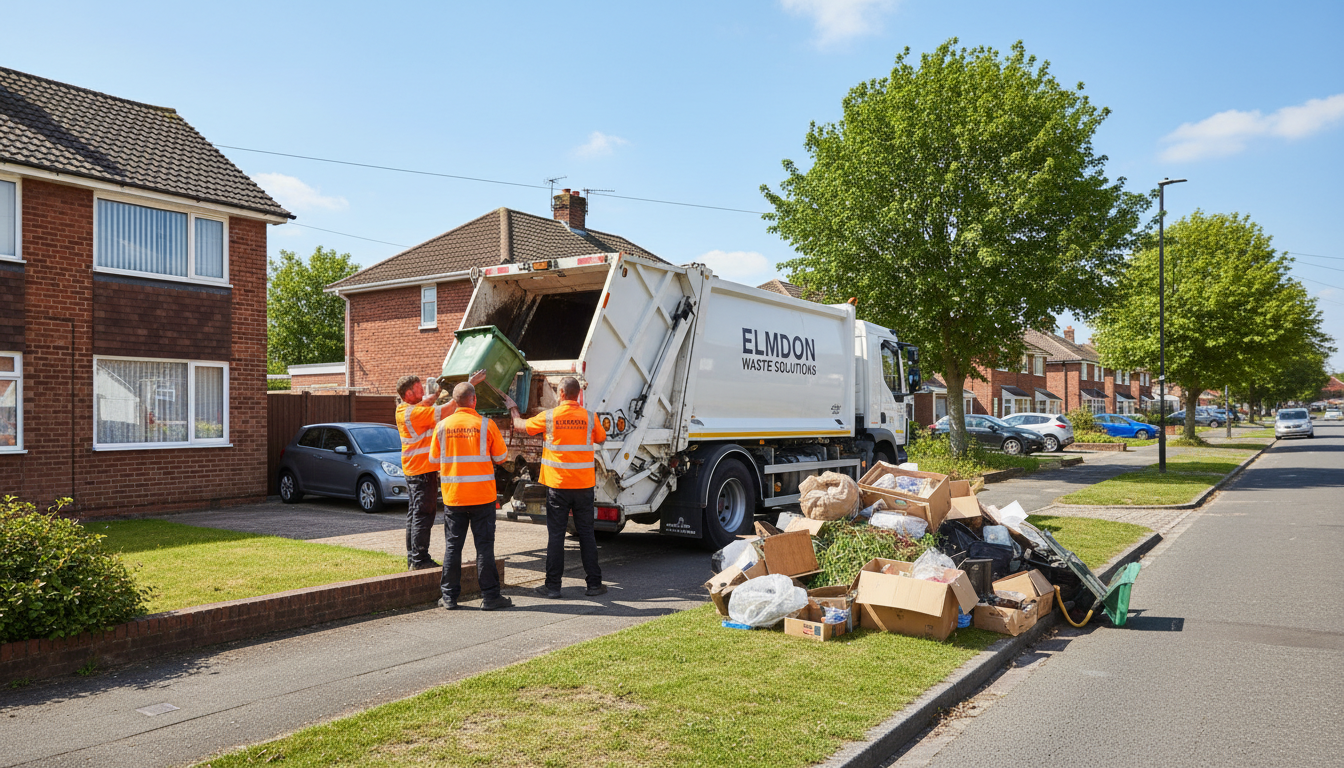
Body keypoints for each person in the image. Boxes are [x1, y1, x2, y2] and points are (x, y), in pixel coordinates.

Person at [506, 376, 607, 599]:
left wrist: (513, 409)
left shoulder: (549, 417)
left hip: (558, 487)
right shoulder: (590, 417)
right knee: (587, 535)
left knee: (556, 536)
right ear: (577, 395)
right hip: (583, 486)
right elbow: (601, 437)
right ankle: (594, 585)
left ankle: (553, 587)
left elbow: (520, 426)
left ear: (561, 394)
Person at [429, 381, 513, 611]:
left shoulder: (442, 426)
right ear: (474, 400)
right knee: (484, 548)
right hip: (482, 497)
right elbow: (502, 457)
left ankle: (448, 597)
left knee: (453, 547)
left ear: (454, 402)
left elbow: (434, 461)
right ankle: (490, 597)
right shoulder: (486, 425)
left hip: (454, 497)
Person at [395, 370, 484, 570]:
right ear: (408, 394)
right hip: (422, 471)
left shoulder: (403, 409)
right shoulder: (415, 414)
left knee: (414, 514)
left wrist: (435, 395)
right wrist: (468, 385)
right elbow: (445, 411)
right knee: (423, 515)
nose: (423, 393)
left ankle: (413, 558)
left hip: (414, 470)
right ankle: (420, 560)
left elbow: (424, 403)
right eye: (419, 390)